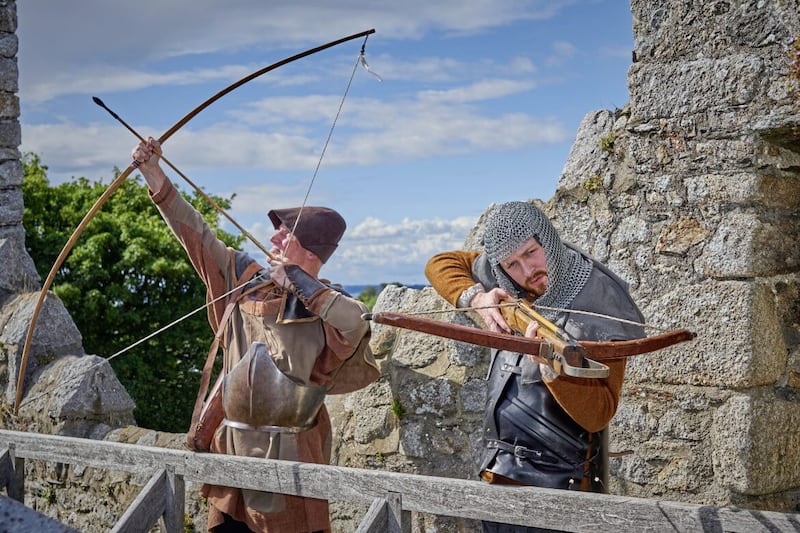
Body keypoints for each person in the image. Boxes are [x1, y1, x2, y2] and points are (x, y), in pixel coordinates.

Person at [131, 137, 379, 533]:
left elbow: (356, 322)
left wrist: (296, 280)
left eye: (286, 236)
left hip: (294, 451)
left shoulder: (330, 305)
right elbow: (197, 236)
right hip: (234, 446)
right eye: (277, 232)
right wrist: (155, 174)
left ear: (310, 253)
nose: (274, 240)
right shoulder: (244, 279)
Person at [424, 200, 645, 533]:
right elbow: (440, 264)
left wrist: (551, 369)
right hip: (497, 476)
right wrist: (477, 298)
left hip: (565, 489)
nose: (527, 272)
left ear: (547, 239)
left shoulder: (600, 299)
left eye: (530, 253)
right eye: (512, 264)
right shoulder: (505, 279)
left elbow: (599, 412)